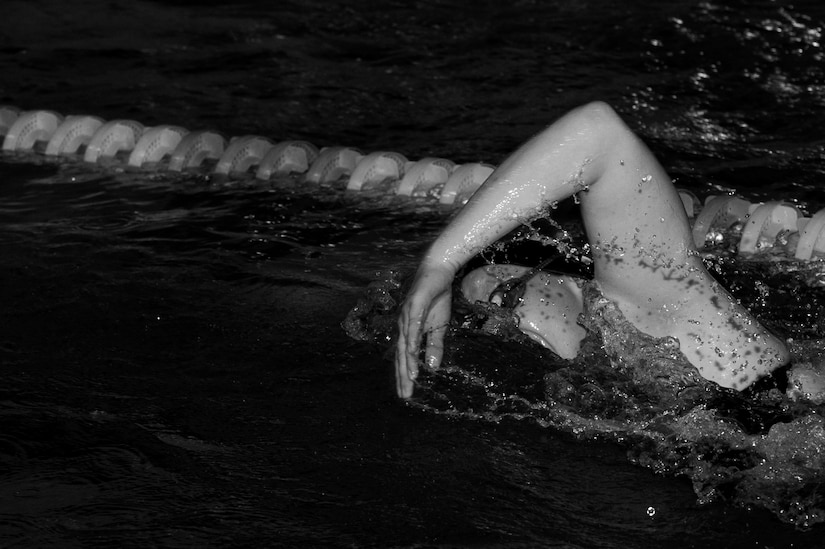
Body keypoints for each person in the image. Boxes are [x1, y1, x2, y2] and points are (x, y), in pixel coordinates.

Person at [395, 101, 795, 399]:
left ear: (566, 280)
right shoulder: (614, 385)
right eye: (490, 321)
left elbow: (600, 135)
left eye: (508, 297)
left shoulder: (661, 302)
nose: (513, 325)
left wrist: (443, 261)